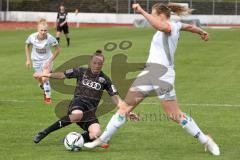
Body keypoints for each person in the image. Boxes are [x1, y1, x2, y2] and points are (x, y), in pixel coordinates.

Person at [84, 3, 220, 156]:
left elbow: (162, 27)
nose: (152, 17)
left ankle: (205, 140)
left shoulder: (169, 27)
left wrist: (141, 11)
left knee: (174, 115)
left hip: (163, 75)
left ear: (161, 16)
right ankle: (103, 139)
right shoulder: (176, 25)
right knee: (124, 108)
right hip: (149, 73)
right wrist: (201, 32)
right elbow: (188, 27)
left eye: (153, 14)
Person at [33, 50, 139, 145]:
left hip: (90, 112)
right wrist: (44, 74)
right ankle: (45, 132)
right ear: (90, 62)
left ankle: (72, 139)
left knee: (96, 134)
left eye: (100, 64)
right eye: (95, 63)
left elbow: (116, 99)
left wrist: (127, 112)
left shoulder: (105, 80)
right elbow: (62, 75)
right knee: (77, 115)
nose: (97, 65)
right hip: (78, 104)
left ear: (102, 64)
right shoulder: (80, 71)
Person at [25, 18, 60, 104]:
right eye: (41, 30)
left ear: (47, 30)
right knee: (39, 78)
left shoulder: (50, 38)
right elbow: (27, 46)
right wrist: (28, 60)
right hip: (36, 61)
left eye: (45, 30)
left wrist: (50, 61)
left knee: (45, 79)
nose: (43, 32)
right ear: (38, 30)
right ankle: (42, 85)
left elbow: (57, 50)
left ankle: (47, 98)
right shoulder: (32, 37)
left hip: (47, 60)